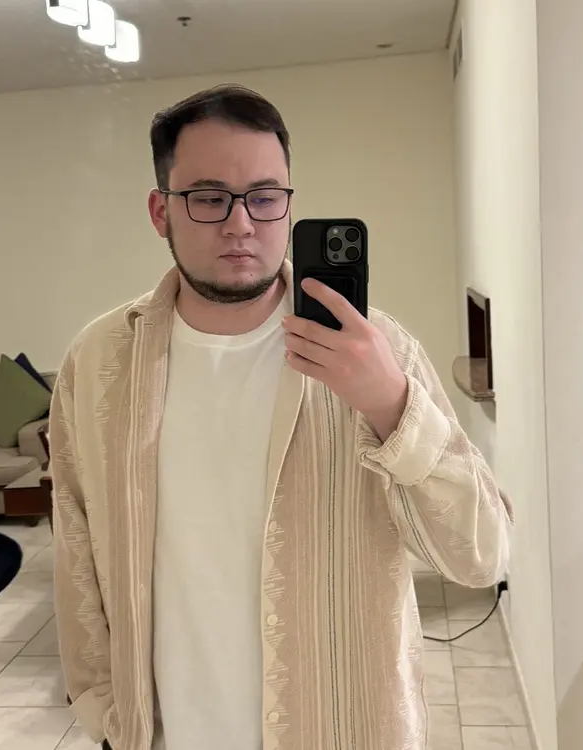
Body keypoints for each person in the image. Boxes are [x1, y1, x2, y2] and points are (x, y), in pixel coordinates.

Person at [49, 84, 514, 750]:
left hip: (343, 729)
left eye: (265, 197)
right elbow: (76, 548)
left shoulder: (378, 352)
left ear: (288, 205)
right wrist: (104, 710)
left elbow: (482, 556)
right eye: (209, 197)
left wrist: (390, 405)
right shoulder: (99, 362)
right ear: (160, 211)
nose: (241, 224)